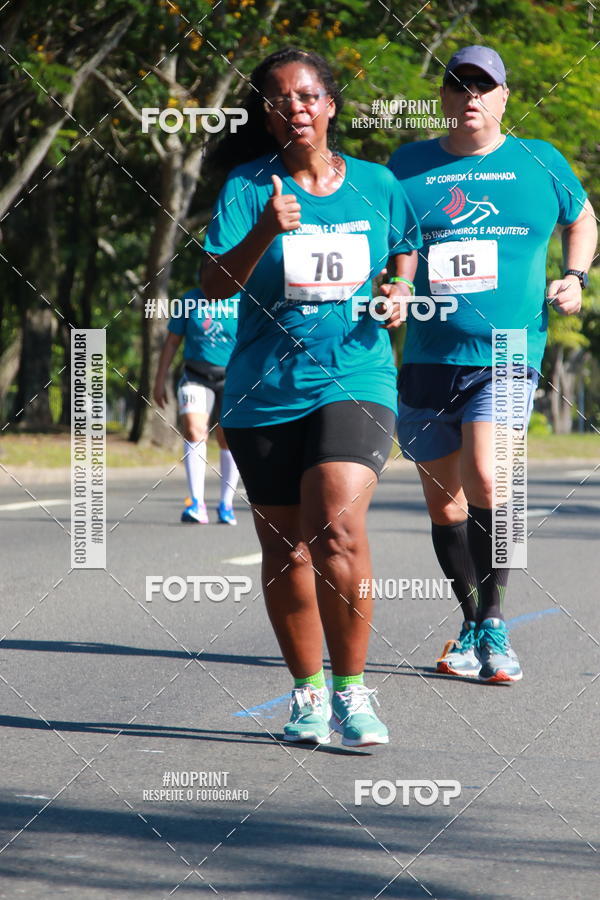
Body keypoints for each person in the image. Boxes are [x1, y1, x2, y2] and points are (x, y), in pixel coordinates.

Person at [202, 47, 421, 746]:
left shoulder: (378, 184)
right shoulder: (247, 187)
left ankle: (353, 691)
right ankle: (307, 693)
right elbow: (213, 285)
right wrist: (266, 228)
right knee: (287, 551)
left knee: (336, 526)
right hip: (264, 390)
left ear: (329, 105)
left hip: (357, 375)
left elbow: (406, 244)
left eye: (306, 95)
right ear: (267, 117)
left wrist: (399, 288)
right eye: (279, 99)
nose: (294, 107)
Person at [388, 45, 597, 683]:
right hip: (429, 355)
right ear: (444, 97)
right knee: (446, 507)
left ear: (505, 96)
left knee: (488, 476)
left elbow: (584, 220)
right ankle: (472, 621)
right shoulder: (407, 166)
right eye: (460, 85)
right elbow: (391, 246)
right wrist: (392, 289)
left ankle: (496, 622)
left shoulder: (541, 160)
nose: (471, 96)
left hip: (509, 348)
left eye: (484, 86)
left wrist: (575, 276)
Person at [153, 279, 241, 525]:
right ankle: (196, 503)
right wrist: (160, 379)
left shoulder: (242, 300)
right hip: (195, 376)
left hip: (232, 377)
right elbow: (172, 341)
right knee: (193, 430)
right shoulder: (189, 300)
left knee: (227, 438)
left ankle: (226, 504)